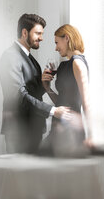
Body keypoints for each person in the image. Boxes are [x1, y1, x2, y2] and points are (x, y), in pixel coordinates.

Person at [0, 13, 70, 154]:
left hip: (33, 130)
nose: (41, 38)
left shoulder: (30, 58)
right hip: (19, 132)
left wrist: (44, 82)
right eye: (38, 33)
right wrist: (53, 111)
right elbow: (20, 97)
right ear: (24, 32)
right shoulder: (10, 56)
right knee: (18, 175)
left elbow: (33, 91)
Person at [41, 24, 92, 156]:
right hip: (58, 126)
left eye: (57, 42)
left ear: (67, 38)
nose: (56, 48)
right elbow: (61, 101)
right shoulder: (64, 65)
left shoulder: (77, 63)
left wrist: (91, 136)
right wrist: (47, 88)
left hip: (70, 131)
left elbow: (86, 102)